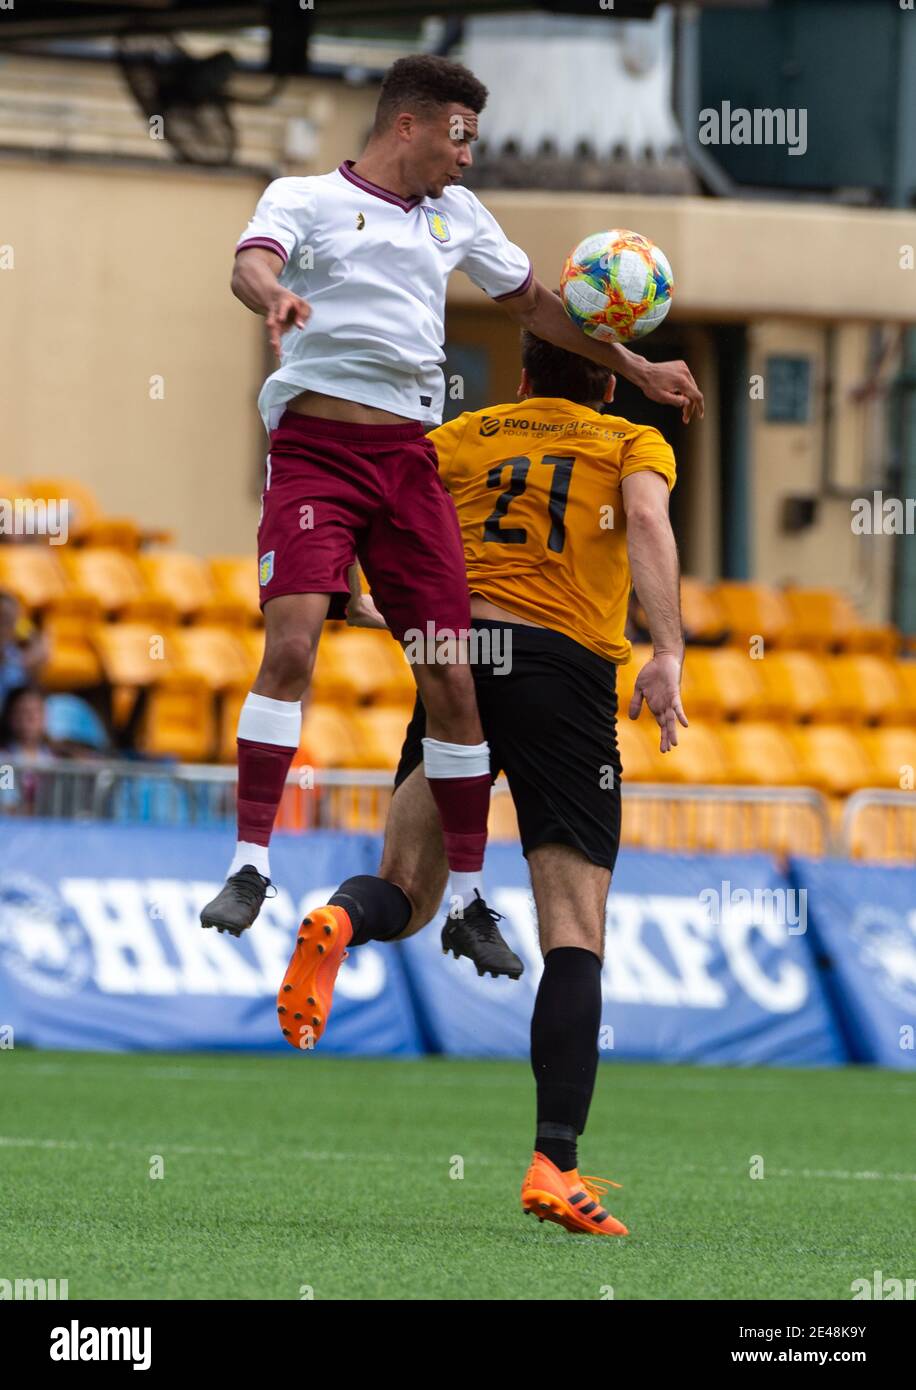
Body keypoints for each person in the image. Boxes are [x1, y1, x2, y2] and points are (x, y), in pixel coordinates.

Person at [200, 53, 702, 991]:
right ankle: (250, 862)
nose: (468, 159)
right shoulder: (303, 196)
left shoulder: (455, 217)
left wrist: (635, 371)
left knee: (453, 678)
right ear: (410, 125)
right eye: (461, 138)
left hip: (407, 460)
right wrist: (276, 297)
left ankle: (467, 901)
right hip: (316, 451)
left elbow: (540, 307)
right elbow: (250, 262)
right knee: (294, 648)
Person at [277, 324, 687, 1239]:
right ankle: (556, 1163)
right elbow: (650, 520)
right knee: (574, 929)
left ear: (525, 375)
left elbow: (358, 491)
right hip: (563, 668)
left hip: (457, 653)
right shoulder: (629, 440)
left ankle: (339, 920)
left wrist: (351, 593)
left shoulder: (464, 435)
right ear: (611, 388)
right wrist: (666, 649)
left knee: (407, 891)